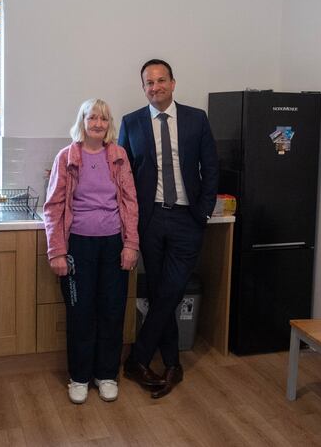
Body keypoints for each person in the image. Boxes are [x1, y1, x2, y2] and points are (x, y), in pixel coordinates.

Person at [118, 59, 218, 398]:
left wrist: (202, 212)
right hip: (150, 220)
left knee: (171, 290)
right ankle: (173, 364)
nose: (156, 87)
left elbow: (211, 167)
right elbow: (124, 177)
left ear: (173, 83)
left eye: (162, 80)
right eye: (149, 82)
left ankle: (138, 359)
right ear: (143, 88)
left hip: (187, 219)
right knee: (164, 292)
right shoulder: (131, 123)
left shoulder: (196, 119)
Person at [43, 98, 140, 404]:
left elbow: (129, 203)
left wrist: (131, 245)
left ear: (109, 124)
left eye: (104, 119)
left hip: (113, 244)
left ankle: (107, 374)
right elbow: (53, 207)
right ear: (82, 121)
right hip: (78, 247)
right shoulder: (67, 157)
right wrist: (56, 251)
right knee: (80, 312)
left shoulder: (119, 156)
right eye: (92, 118)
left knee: (112, 311)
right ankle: (80, 377)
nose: (98, 124)